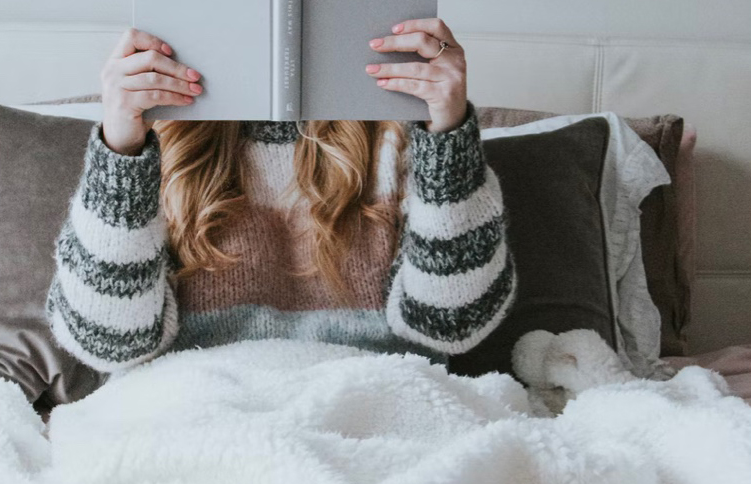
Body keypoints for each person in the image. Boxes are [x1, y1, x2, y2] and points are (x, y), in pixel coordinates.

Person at [45, 19, 516, 374]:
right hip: (196, 408)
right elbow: (106, 340)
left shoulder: (404, 138)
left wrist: (449, 137)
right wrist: (121, 152)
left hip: (372, 400)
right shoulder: (159, 145)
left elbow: (454, 323)